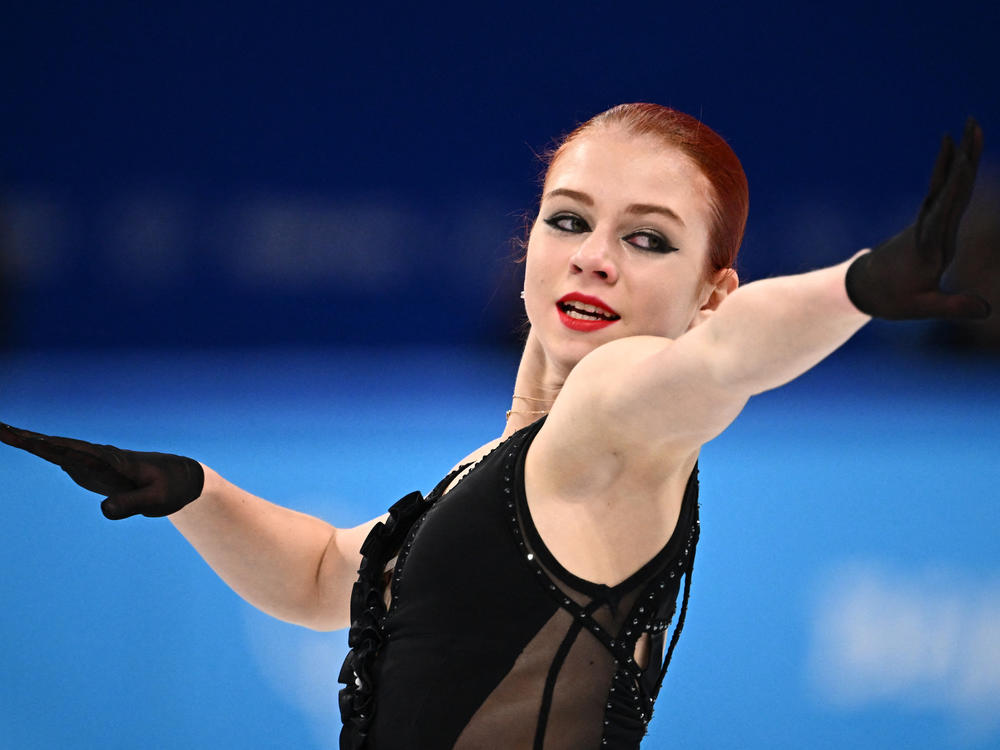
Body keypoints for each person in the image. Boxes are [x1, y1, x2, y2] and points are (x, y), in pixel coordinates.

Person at [0, 104, 992, 750]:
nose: (594, 256)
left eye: (646, 239)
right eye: (569, 221)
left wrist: (857, 284)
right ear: (527, 250)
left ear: (709, 293)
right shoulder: (523, 462)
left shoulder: (616, 414)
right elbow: (323, 579)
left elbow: (723, 360)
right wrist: (195, 492)